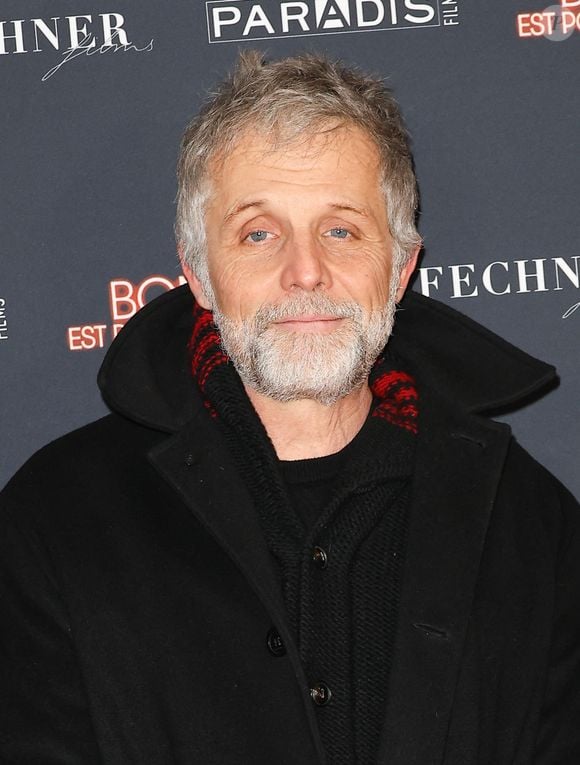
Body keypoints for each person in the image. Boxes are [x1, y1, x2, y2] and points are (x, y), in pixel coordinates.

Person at [1, 51, 579, 765]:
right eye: (258, 233)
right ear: (199, 275)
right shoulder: (57, 522)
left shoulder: (528, 526)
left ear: (400, 269)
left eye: (341, 230)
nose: (304, 270)